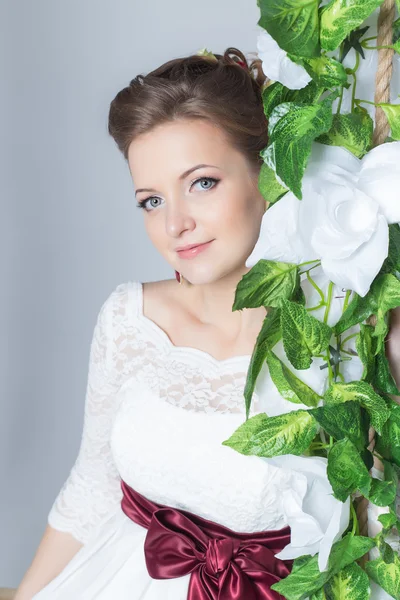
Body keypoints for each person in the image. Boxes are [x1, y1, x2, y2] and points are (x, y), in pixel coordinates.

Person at [14, 48, 400, 600]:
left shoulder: (346, 333)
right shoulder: (130, 318)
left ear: (268, 174)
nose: (175, 223)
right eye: (150, 200)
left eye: (202, 183)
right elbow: (91, 488)